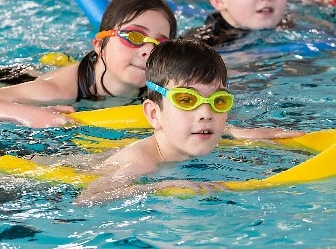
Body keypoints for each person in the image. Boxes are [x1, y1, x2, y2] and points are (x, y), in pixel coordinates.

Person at [30, 40, 255, 204]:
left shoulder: (188, 139)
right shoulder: (140, 164)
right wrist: (162, 187)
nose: (206, 113)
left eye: (219, 101)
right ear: (154, 114)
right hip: (31, 185)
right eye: (186, 99)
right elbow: (88, 198)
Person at [0, 0, 177, 128]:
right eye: (134, 36)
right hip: (15, 78)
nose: (148, 50)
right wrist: (31, 114)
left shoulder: (162, 84)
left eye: (161, 44)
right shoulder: (60, 89)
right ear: (99, 45)